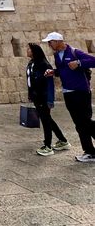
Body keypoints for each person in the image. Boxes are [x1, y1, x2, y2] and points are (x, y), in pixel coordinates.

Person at [42, 32, 95, 163]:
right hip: (68, 93)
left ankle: (90, 151)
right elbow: (62, 70)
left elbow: (93, 61)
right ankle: (89, 152)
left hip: (81, 92)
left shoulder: (74, 52)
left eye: (51, 42)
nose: (49, 44)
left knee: (85, 121)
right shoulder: (56, 55)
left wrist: (79, 63)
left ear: (59, 41)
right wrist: (53, 72)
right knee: (79, 124)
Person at [25, 42, 70, 156]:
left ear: (34, 51)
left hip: (43, 97)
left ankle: (48, 146)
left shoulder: (44, 65)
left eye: (29, 49)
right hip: (36, 96)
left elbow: (50, 84)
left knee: (45, 120)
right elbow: (30, 80)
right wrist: (31, 94)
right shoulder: (31, 63)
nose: (27, 51)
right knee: (47, 119)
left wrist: (50, 100)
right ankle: (63, 140)